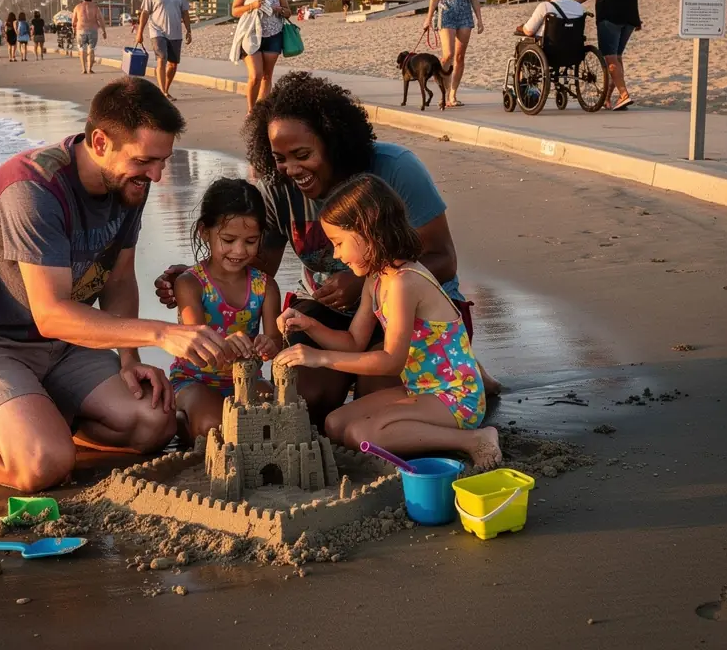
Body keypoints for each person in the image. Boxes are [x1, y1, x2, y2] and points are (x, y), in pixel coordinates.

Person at [0, 78, 236, 492]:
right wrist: (163, 333)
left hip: (63, 346)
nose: (157, 175)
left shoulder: (129, 184)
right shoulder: (33, 189)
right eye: (146, 161)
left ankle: (35, 415)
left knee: (155, 425)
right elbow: (51, 313)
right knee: (42, 467)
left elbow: (120, 277)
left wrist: (130, 359)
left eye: (163, 160)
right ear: (101, 142)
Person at [155, 71, 499, 429]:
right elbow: (256, 269)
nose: (291, 170)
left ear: (333, 141)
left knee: (377, 399)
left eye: (302, 154)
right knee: (305, 402)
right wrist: (200, 274)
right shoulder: (278, 188)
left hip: (410, 313)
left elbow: (443, 258)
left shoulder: (393, 170)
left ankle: (467, 371)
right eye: (280, 158)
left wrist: (360, 281)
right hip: (331, 315)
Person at [276, 174, 500, 468]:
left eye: (339, 242)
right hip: (421, 387)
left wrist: (319, 358)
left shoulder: (404, 282)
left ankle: (474, 439)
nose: (336, 254)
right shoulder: (376, 277)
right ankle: (421, 436)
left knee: (361, 434)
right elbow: (354, 342)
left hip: (455, 396)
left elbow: (392, 361)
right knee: (334, 423)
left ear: (368, 230)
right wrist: (309, 325)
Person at [170, 178, 282, 441]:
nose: (239, 251)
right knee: (215, 427)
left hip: (245, 381)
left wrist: (268, 344)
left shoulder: (265, 286)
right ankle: (179, 422)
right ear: (204, 232)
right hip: (194, 380)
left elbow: (276, 339)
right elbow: (196, 346)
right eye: (228, 240)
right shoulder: (190, 284)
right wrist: (225, 344)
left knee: (281, 417)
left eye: (251, 241)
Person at [576, 0, 641, 111]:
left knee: (610, 59)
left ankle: (624, 95)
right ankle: (606, 99)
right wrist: (637, 17)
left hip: (610, 16)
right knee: (617, 58)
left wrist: (573, 3)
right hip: (628, 17)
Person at [424, 0, 483, 108]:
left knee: (460, 57)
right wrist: (428, 18)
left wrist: (479, 19)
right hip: (447, 11)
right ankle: (443, 87)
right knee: (448, 55)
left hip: (465, 12)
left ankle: (452, 95)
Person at [230, 0, 291, 112]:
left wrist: (280, 10)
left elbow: (289, 12)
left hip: (273, 35)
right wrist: (252, 6)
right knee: (256, 75)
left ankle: (261, 111)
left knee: (266, 76)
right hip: (251, 35)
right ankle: (251, 109)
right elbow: (235, 11)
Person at [135, 0, 192, 100]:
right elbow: (145, 13)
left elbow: (185, 12)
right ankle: (163, 93)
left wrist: (189, 30)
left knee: (173, 64)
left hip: (175, 32)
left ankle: (165, 89)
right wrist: (140, 32)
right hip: (157, 31)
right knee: (162, 58)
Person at [72, 0, 107, 75]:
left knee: (82, 50)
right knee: (91, 49)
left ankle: (84, 69)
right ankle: (90, 69)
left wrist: (73, 30)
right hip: (93, 30)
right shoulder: (95, 7)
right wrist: (104, 31)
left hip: (81, 30)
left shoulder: (77, 7)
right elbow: (100, 19)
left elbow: (73, 21)